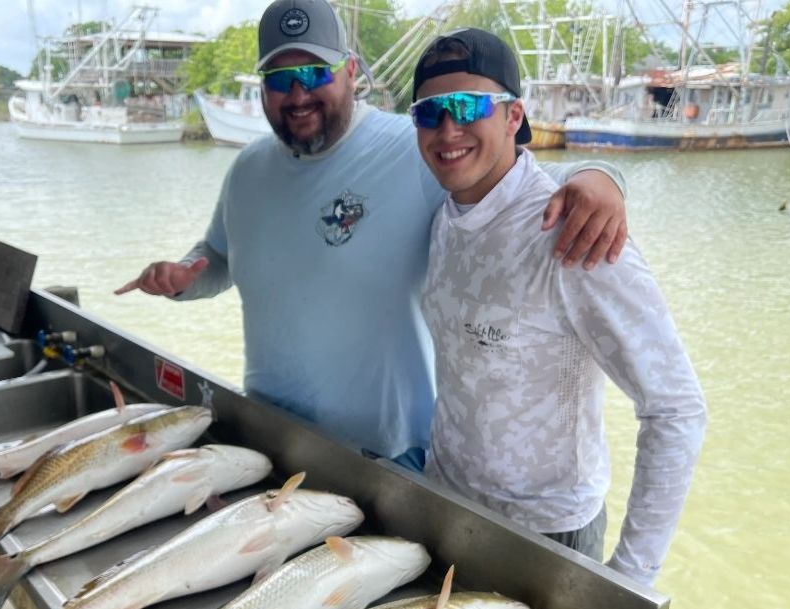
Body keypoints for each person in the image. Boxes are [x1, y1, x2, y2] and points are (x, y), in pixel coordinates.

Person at [116, 0, 629, 471]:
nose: (298, 94)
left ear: (352, 72)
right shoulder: (247, 169)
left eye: (316, 72)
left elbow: (516, 182)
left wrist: (600, 177)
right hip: (269, 434)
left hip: (388, 453)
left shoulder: (419, 146)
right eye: (280, 77)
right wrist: (184, 275)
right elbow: (218, 258)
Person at [410, 28, 707, 585]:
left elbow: (676, 409)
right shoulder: (444, 213)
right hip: (445, 499)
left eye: (468, 106)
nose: (448, 129)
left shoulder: (572, 231)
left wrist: (631, 579)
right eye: (429, 113)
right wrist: (598, 169)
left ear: (514, 116)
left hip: (548, 534)